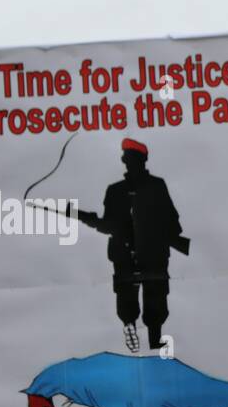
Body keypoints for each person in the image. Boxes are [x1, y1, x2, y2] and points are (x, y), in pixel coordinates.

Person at [77, 138, 187, 353]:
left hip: (142, 252)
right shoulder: (133, 188)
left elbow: (171, 221)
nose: (129, 162)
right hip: (135, 253)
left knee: (149, 295)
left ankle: (146, 334)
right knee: (137, 296)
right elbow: (172, 223)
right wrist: (91, 220)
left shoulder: (139, 187)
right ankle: (138, 331)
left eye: (130, 158)